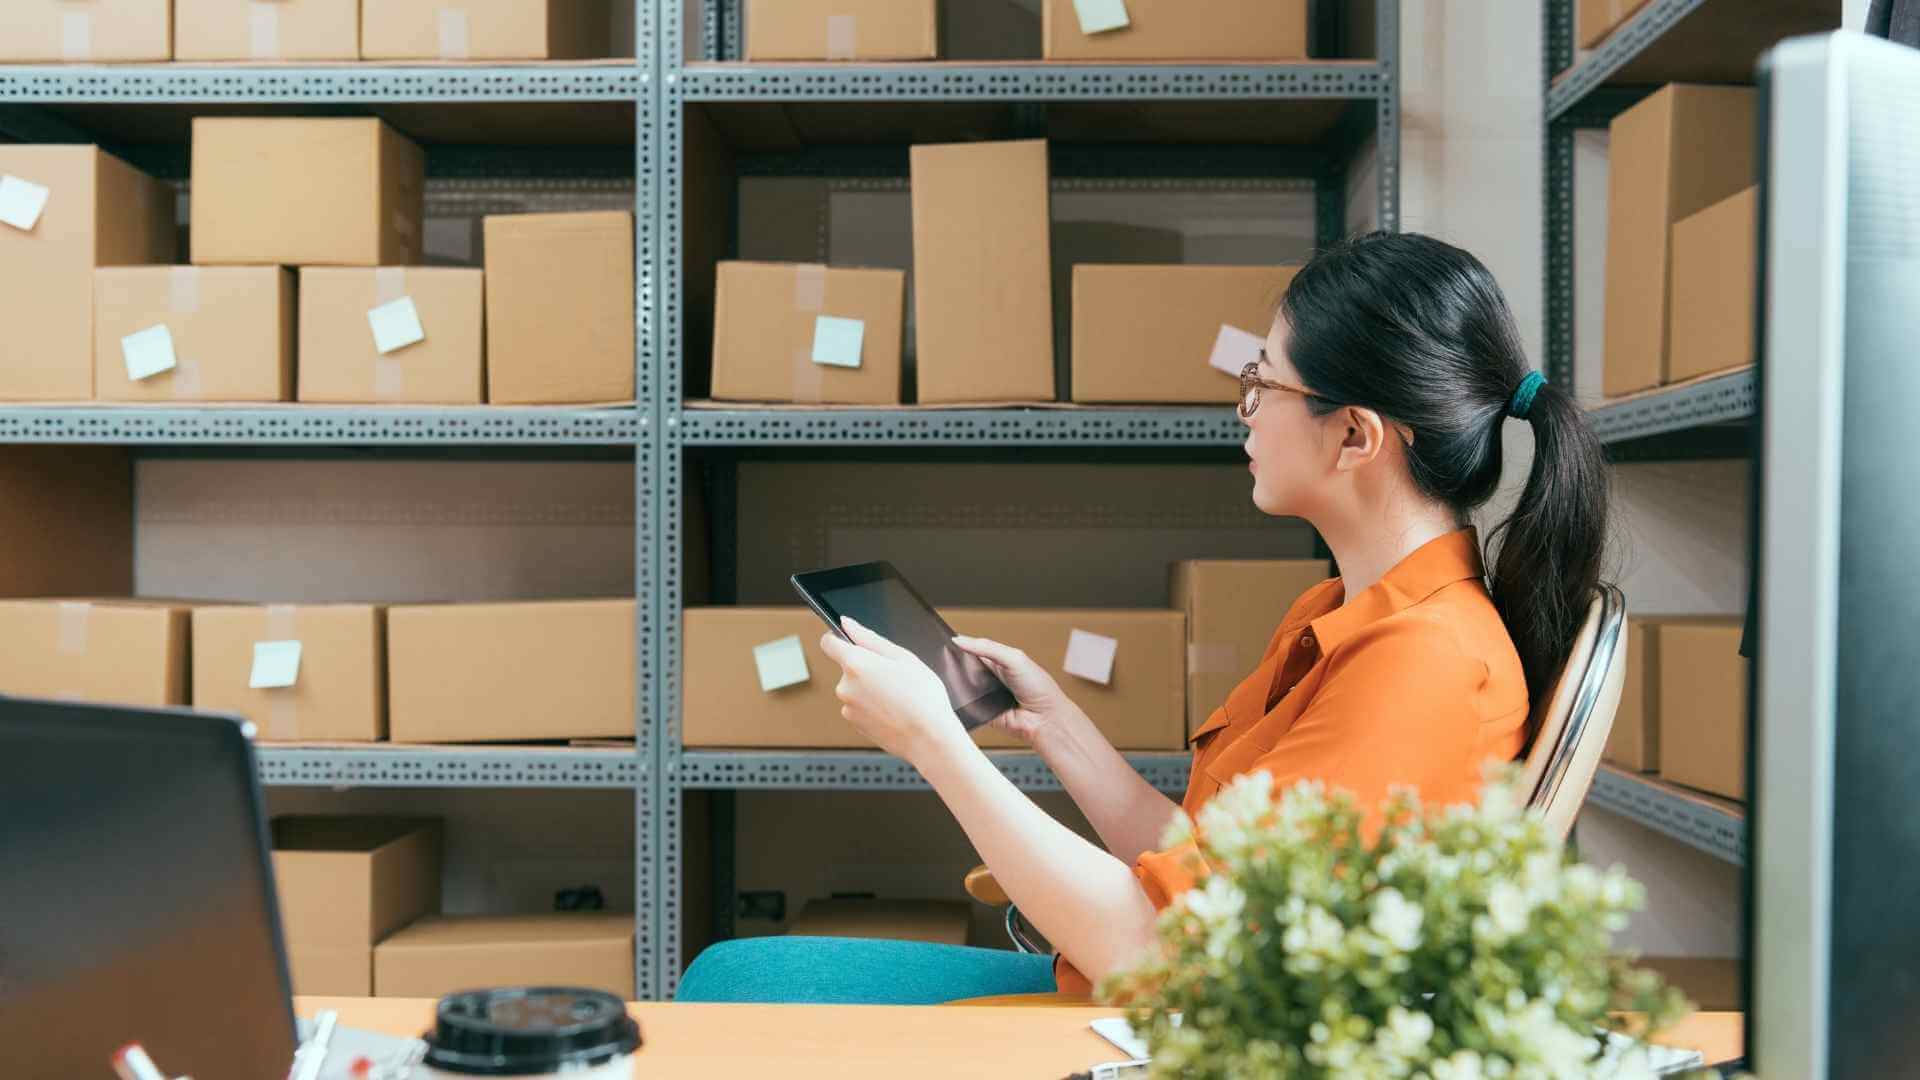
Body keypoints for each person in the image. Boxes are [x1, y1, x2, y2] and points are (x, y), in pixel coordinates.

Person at [676, 232, 1612, 1004]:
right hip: (1143, 987)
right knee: (735, 973)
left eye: (1264, 386)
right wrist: (1059, 730)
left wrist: (934, 742)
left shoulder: (1426, 665)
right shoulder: (1342, 612)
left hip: (1165, 1019)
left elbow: (1163, 952)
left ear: (1355, 435)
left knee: (733, 984)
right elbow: (1198, 870)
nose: (1244, 414)